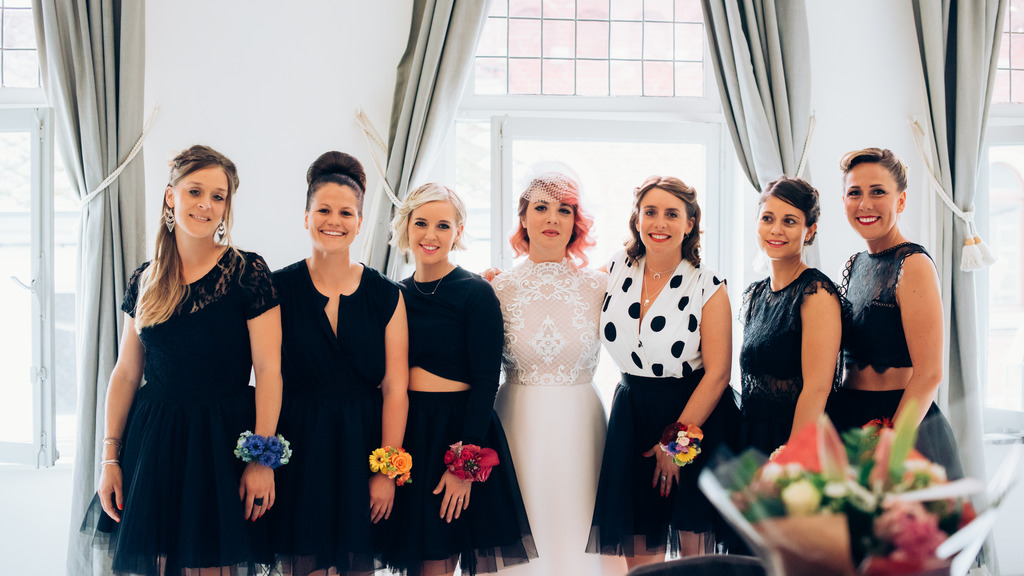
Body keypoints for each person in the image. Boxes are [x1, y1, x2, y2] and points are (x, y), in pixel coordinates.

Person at [84, 145, 283, 575]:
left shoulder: (248, 272)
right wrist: (109, 459)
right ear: (170, 196)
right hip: (154, 440)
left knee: (210, 563)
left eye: (218, 196)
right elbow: (126, 373)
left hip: (221, 439)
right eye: (195, 191)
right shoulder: (144, 278)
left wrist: (262, 459)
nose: (206, 204)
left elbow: (269, 371)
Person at [383, 183, 536, 576]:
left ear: (458, 232)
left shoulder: (476, 293)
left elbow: (486, 382)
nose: (430, 235)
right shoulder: (393, 293)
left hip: (455, 431)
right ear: (406, 226)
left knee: (438, 560)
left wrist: (464, 465)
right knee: (412, 560)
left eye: (443, 225)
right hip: (407, 428)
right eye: (421, 223)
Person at [268, 151, 408, 575]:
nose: (334, 220)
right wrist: (263, 460)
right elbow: (267, 376)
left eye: (346, 212)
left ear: (360, 222)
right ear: (306, 217)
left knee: (356, 562)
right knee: (302, 562)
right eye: (324, 210)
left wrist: (387, 471)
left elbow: (395, 389)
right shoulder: (275, 288)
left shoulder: (386, 294)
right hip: (298, 441)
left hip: (361, 442)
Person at [587, 176, 736, 570]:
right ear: (637, 219)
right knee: (639, 551)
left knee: (693, 552)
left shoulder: (708, 285)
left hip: (693, 415)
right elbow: (566, 293)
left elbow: (719, 373)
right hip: (633, 415)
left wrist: (676, 444)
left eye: (672, 214)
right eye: (650, 212)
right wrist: (501, 279)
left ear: (690, 224)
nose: (659, 223)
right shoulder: (615, 268)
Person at [491, 173, 622, 576]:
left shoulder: (601, 286)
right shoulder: (495, 288)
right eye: (541, 208)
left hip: (581, 421)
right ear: (523, 218)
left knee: (576, 520)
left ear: (575, 222)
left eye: (563, 210)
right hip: (516, 419)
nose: (552, 218)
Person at [825, 147, 964, 479]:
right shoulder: (853, 265)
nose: (865, 204)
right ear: (843, 201)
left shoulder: (914, 265)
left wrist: (890, 447)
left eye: (878, 192)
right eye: (854, 193)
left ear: (900, 201)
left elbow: (930, 374)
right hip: (848, 419)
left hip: (902, 422)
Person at [738, 176, 842, 457]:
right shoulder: (756, 294)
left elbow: (817, 389)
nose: (776, 230)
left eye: (790, 221)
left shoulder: (815, 293)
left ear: (809, 231)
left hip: (794, 440)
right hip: (752, 436)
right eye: (767, 218)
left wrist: (790, 457)